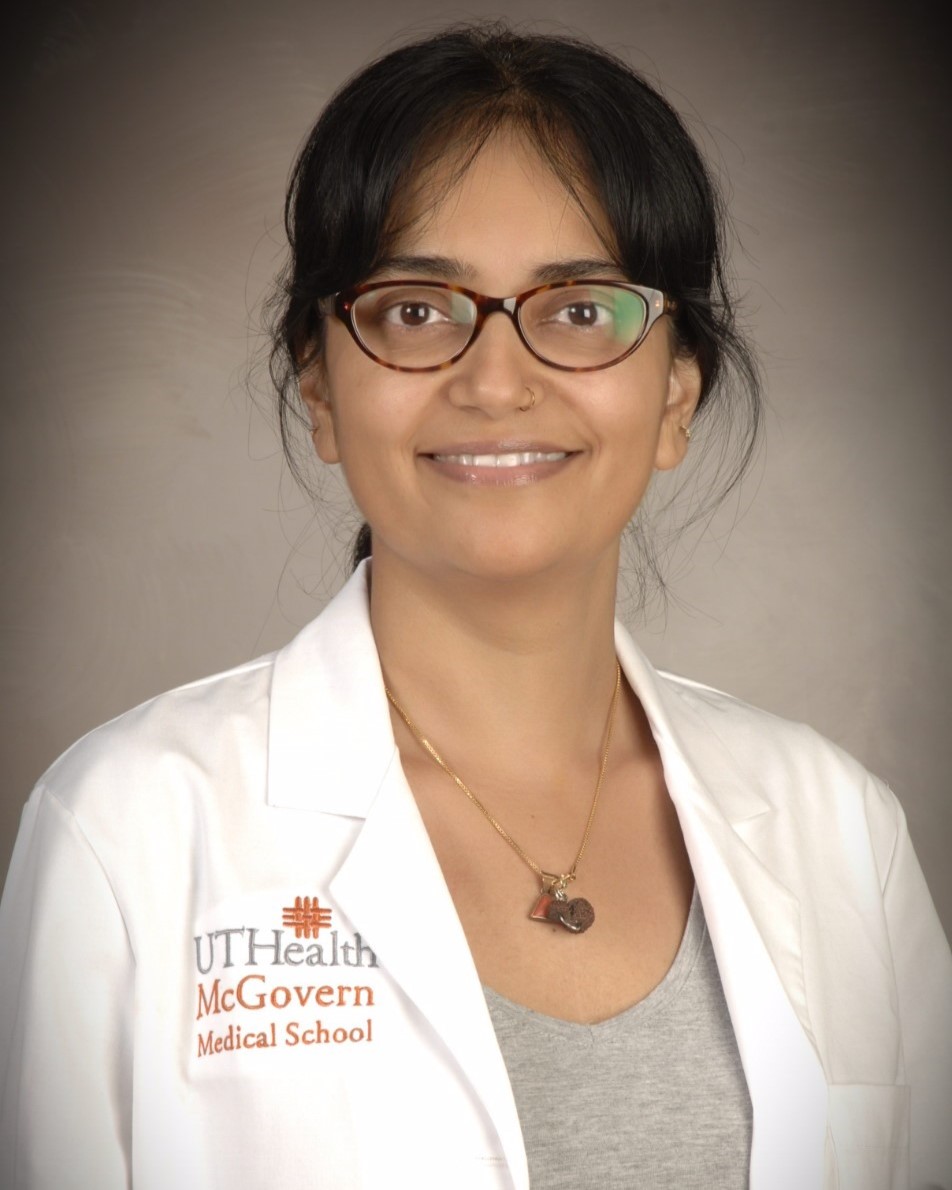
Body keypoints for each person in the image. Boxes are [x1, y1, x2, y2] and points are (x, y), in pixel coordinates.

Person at [1, 21, 949, 1190]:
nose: (495, 382)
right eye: (414, 309)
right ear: (319, 387)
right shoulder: (128, 826)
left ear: (675, 395)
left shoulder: (837, 827)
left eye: (580, 309)